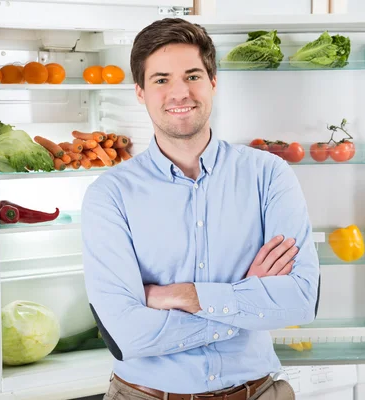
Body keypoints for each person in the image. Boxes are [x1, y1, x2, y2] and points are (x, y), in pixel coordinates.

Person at [82, 17, 319, 400]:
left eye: (192, 76)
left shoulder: (269, 174)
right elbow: (127, 336)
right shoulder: (110, 194)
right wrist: (244, 303)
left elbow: (299, 302)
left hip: (259, 393)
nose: (180, 93)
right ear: (140, 92)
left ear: (213, 82)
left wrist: (180, 295)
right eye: (161, 80)